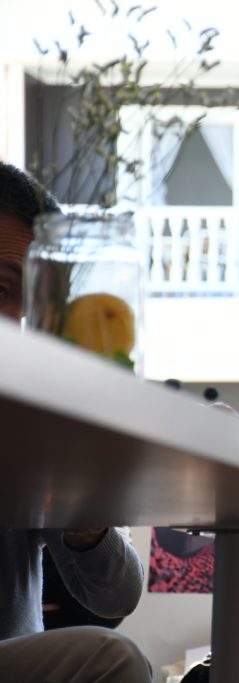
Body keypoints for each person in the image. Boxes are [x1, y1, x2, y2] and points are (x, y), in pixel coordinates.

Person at [0, 161, 150, 680]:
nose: (17, 323)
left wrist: (89, 526)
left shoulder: (30, 414)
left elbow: (117, 597)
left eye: (36, 307)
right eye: (1, 289)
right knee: (115, 661)